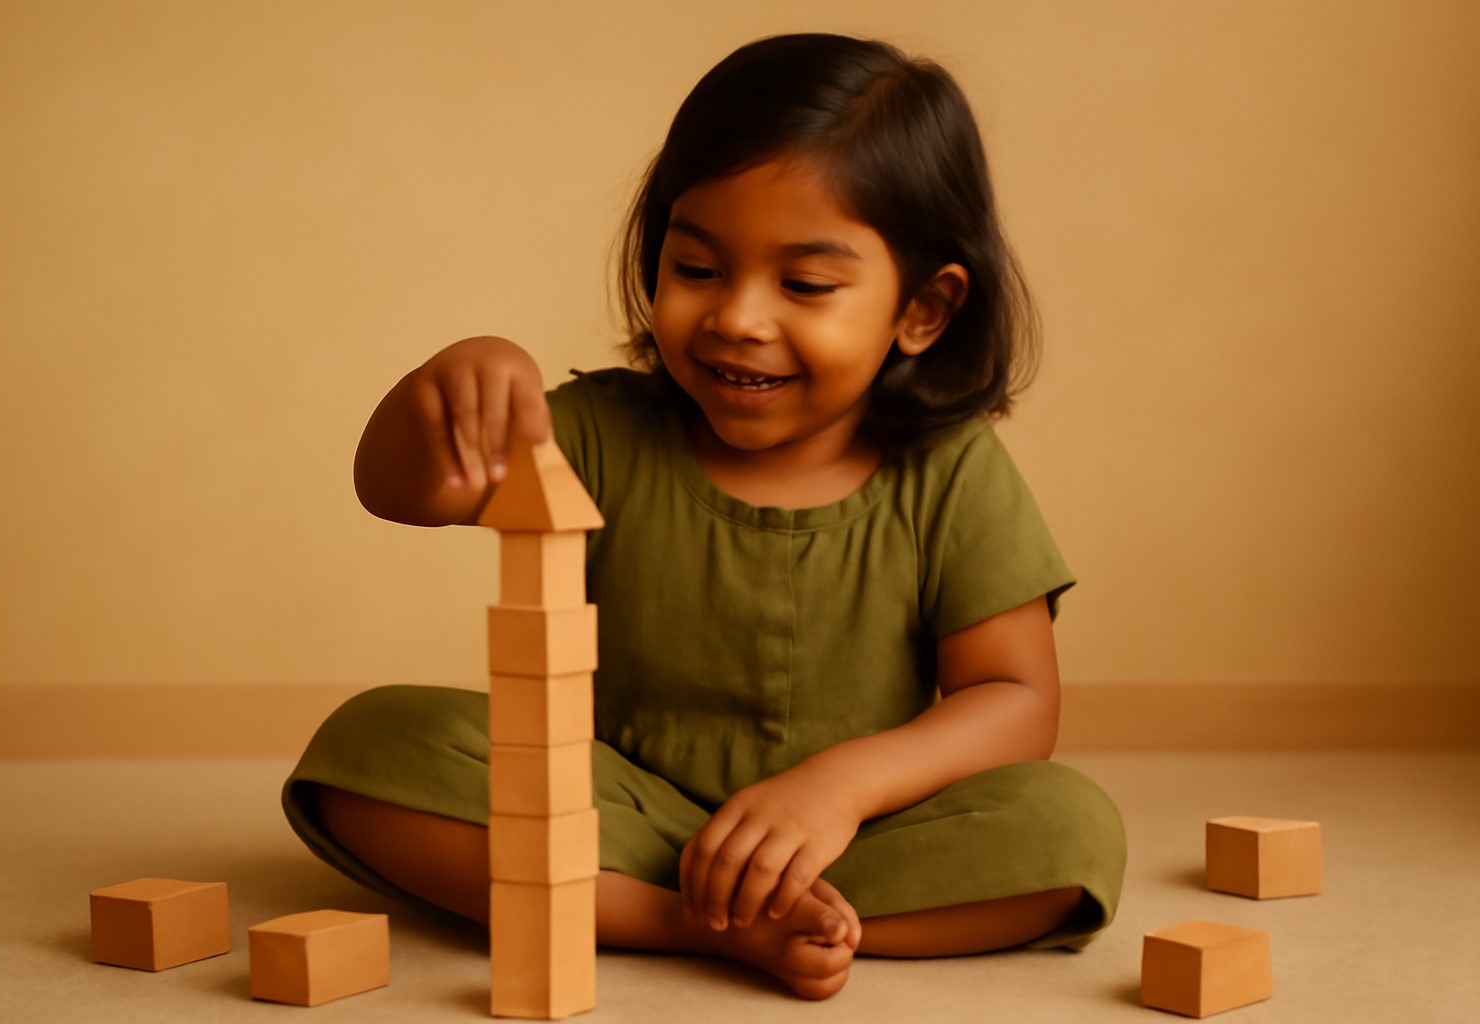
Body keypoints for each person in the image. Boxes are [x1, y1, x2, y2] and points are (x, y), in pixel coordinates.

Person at [282, 31, 1126, 1001]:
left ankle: (772, 902)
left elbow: (1016, 699)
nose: (738, 317)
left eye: (805, 284)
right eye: (698, 268)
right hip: (615, 809)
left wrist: (837, 789)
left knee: (1065, 826)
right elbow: (400, 491)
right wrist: (454, 380)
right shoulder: (602, 430)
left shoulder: (949, 468)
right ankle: (693, 921)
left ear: (923, 310)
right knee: (372, 742)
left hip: (852, 832)